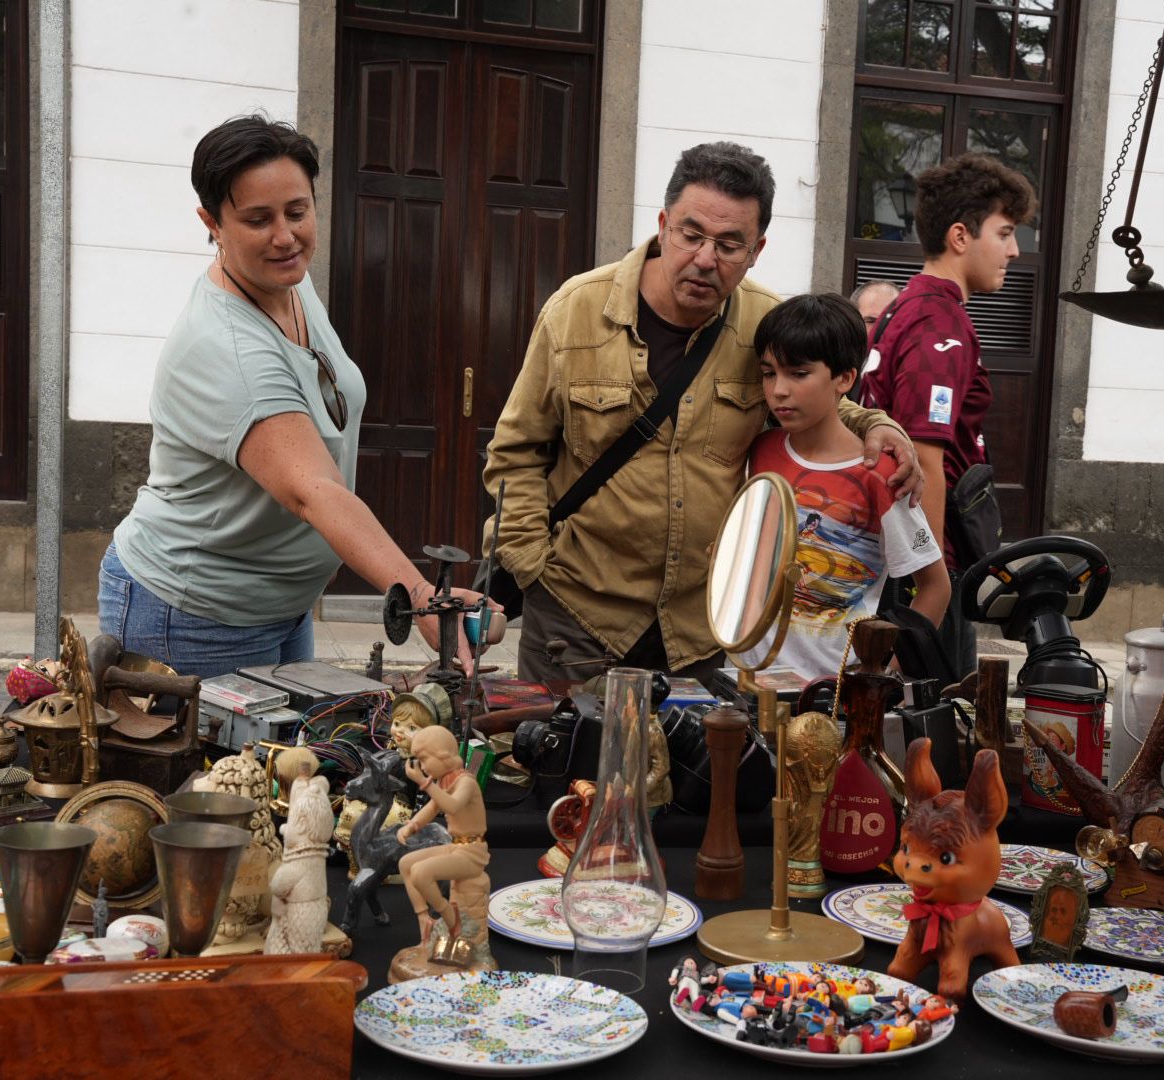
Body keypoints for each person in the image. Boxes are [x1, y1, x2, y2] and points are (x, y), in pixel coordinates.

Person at [484, 141, 922, 686]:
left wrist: (877, 424)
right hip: (575, 617)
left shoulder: (765, 323)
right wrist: (532, 566)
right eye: (690, 235)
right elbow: (517, 452)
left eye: (730, 244)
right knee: (561, 744)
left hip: (701, 627)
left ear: (757, 250)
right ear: (663, 225)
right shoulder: (576, 312)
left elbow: (822, 399)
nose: (706, 258)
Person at [98, 115, 486, 680]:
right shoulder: (227, 346)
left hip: (280, 606)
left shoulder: (287, 281)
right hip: (194, 615)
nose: (285, 237)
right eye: (258, 220)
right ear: (212, 223)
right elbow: (314, 492)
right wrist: (422, 595)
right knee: (225, 747)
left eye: (297, 212)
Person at [857, 152, 1037, 681]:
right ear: (960, 236)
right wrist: (932, 585)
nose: (1014, 250)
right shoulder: (939, 323)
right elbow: (924, 459)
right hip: (924, 564)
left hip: (902, 555)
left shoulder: (908, 306)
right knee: (929, 715)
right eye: (1004, 233)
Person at [733, 293, 948, 678]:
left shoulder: (882, 473)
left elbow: (935, 587)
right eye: (769, 373)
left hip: (832, 692)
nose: (779, 389)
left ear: (845, 378)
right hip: (744, 678)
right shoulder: (759, 451)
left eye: (798, 374)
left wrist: (882, 679)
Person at [395, 725, 488, 953]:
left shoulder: (466, 782)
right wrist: (413, 825)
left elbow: (452, 806)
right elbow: (432, 808)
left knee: (421, 873)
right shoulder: (445, 781)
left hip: (473, 852)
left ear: (442, 755)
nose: (423, 767)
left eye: (424, 760)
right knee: (406, 864)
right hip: (456, 847)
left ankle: (449, 917)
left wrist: (424, 783)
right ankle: (424, 918)